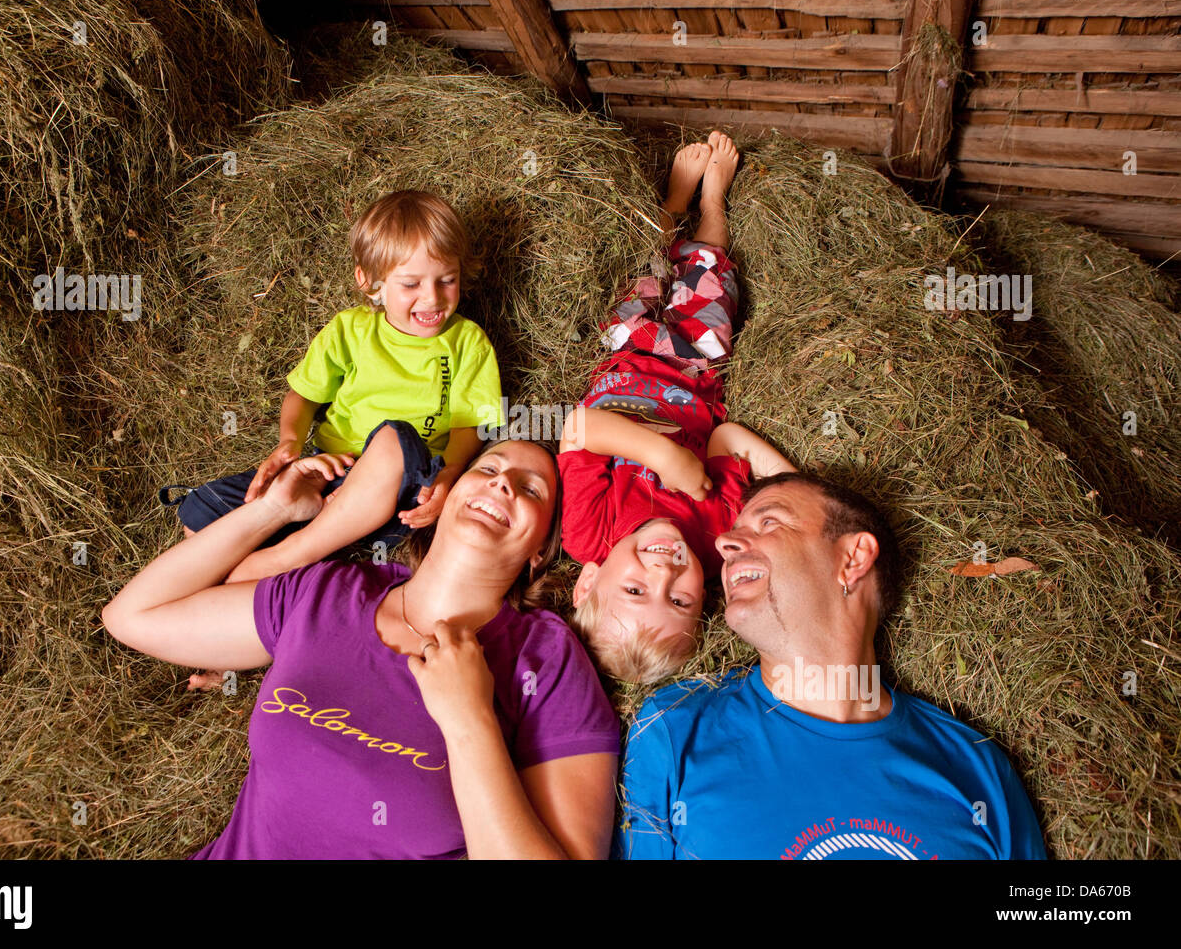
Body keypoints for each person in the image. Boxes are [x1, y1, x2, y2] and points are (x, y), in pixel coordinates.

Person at [106, 435, 619, 858]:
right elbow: (132, 617)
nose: (502, 483)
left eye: (530, 489)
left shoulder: (546, 660)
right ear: (440, 500)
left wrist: (469, 721)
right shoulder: (328, 593)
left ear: (540, 554)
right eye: (487, 469)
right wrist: (272, 512)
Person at [617, 471, 1046, 859]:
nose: (723, 544)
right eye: (733, 531)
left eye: (769, 523)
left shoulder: (977, 770)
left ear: (853, 559)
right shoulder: (674, 728)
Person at [160, 189, 502, 585]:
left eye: (448, 280)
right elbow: (303, 394)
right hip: (330, 472)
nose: (433, 298)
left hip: (404, 487)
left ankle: (296, 553)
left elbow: (469, 423)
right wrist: (289, 442)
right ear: (370, 283)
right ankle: (290, 552)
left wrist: (448, 478)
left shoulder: (467, 342)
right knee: (201, 515)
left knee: (394, 438)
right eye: (411, 284)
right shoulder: (351, 330)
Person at [558, 131, 793, 685]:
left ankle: (673, 204)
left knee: (644, 272)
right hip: (694, 365)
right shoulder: (714, 543)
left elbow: (578, 427)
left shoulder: (589, 535)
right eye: (680, 601)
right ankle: (713, 204)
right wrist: (789, 483)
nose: (664, 573)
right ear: (703, 601)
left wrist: (663, 456)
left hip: (624, 354)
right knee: (709, 276)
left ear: (589, 580)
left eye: (636, 590)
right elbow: (726, 441)